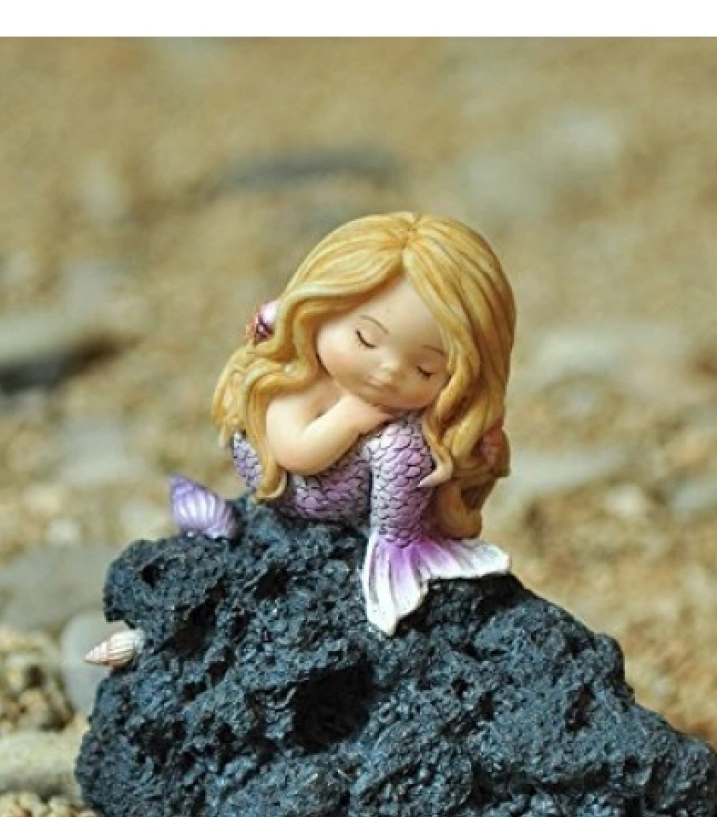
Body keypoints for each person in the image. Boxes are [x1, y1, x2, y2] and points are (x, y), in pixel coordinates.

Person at [211, 211, 517, 635]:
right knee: (399, 446)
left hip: (368, 500)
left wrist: (476, 451)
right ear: (317, 312)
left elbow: (442, 461)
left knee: (406, 445)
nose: (389, 371)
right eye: (365, 339)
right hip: (300, 490)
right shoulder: (299, 379)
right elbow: (294, 452)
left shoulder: (421, 413)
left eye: (425, 370)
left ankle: (402, 545)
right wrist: (348, 419)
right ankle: (394, 546)